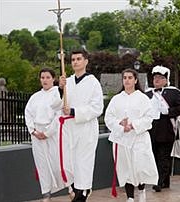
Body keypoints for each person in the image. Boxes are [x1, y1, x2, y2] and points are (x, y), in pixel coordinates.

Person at [105, 68, 158, 202]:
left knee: (140, 166)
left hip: (139, 138)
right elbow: (108, 118)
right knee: (126, 168)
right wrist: (120, 124)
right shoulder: (116, 99)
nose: (127, 80)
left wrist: (133, 125)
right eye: (125, 78)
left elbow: (149, 117)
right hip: (122, 139)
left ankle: (141, 191)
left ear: (135, 80)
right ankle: (130, 197)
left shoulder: (143, 98)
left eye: (130, 78)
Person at [58, 49, 104, 201]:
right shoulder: (67, 82)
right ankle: (75, 188)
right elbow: (57, 105)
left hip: (85, 128)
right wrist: (60, 89)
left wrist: (74, 111)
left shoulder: (93, 82)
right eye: (72, 60)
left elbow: (97, 107)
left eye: (78, 59)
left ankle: (82, 192)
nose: (75, 62)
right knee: (68, 163)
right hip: (69, 129)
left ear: (86, 61)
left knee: (83, 162)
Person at [145, 65, 180, 192]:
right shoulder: (147, 94)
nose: (156, 80)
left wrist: (168, 111)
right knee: (156, 157)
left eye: (160, 78)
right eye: (155, 77)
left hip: (168, 130)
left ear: (166, 80)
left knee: (164, 157)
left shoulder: (174, 92)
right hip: (152, 131)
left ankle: (159, 181)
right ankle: (165, 181)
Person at [25, 68, 64, 202]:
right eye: (42, 77)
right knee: (42, 164)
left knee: (57, 162)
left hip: (52, 134)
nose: (45, 80)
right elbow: (28, 114)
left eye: (47, 77)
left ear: (53, 79)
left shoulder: (57, 95)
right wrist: (33, 131)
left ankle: (70, 188)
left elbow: (59, 114)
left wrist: (47, 133)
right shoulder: (35, 97)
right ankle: (46, 194)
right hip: (37, 135)